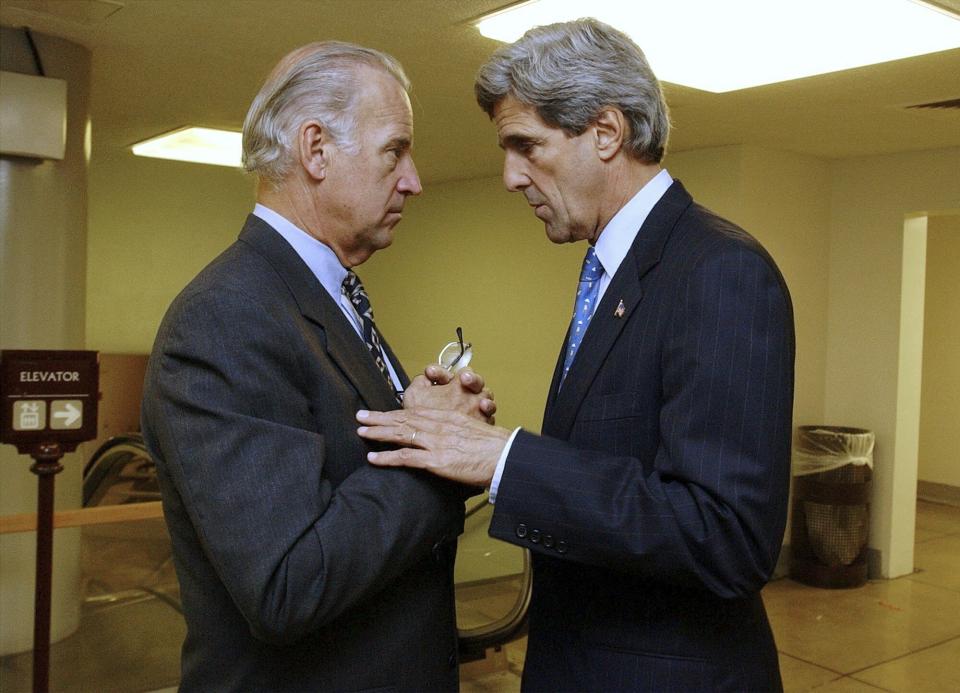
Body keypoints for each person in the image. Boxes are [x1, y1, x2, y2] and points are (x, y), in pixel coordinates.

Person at [356, 18, 795, 692]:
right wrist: (480, 448)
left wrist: (504, 460)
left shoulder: (719, 270)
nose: (509, 176)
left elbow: (728, 537)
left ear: (607, 133)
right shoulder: (612, 271)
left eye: (526, 146)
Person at [141, 41, 492, 692]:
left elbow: (349, 467)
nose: (415, 179)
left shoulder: (324, 295)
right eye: (395, 150)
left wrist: (426, 420)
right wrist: (433, 451)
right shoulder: (226, 318)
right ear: (316, 150)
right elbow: (286, 582)